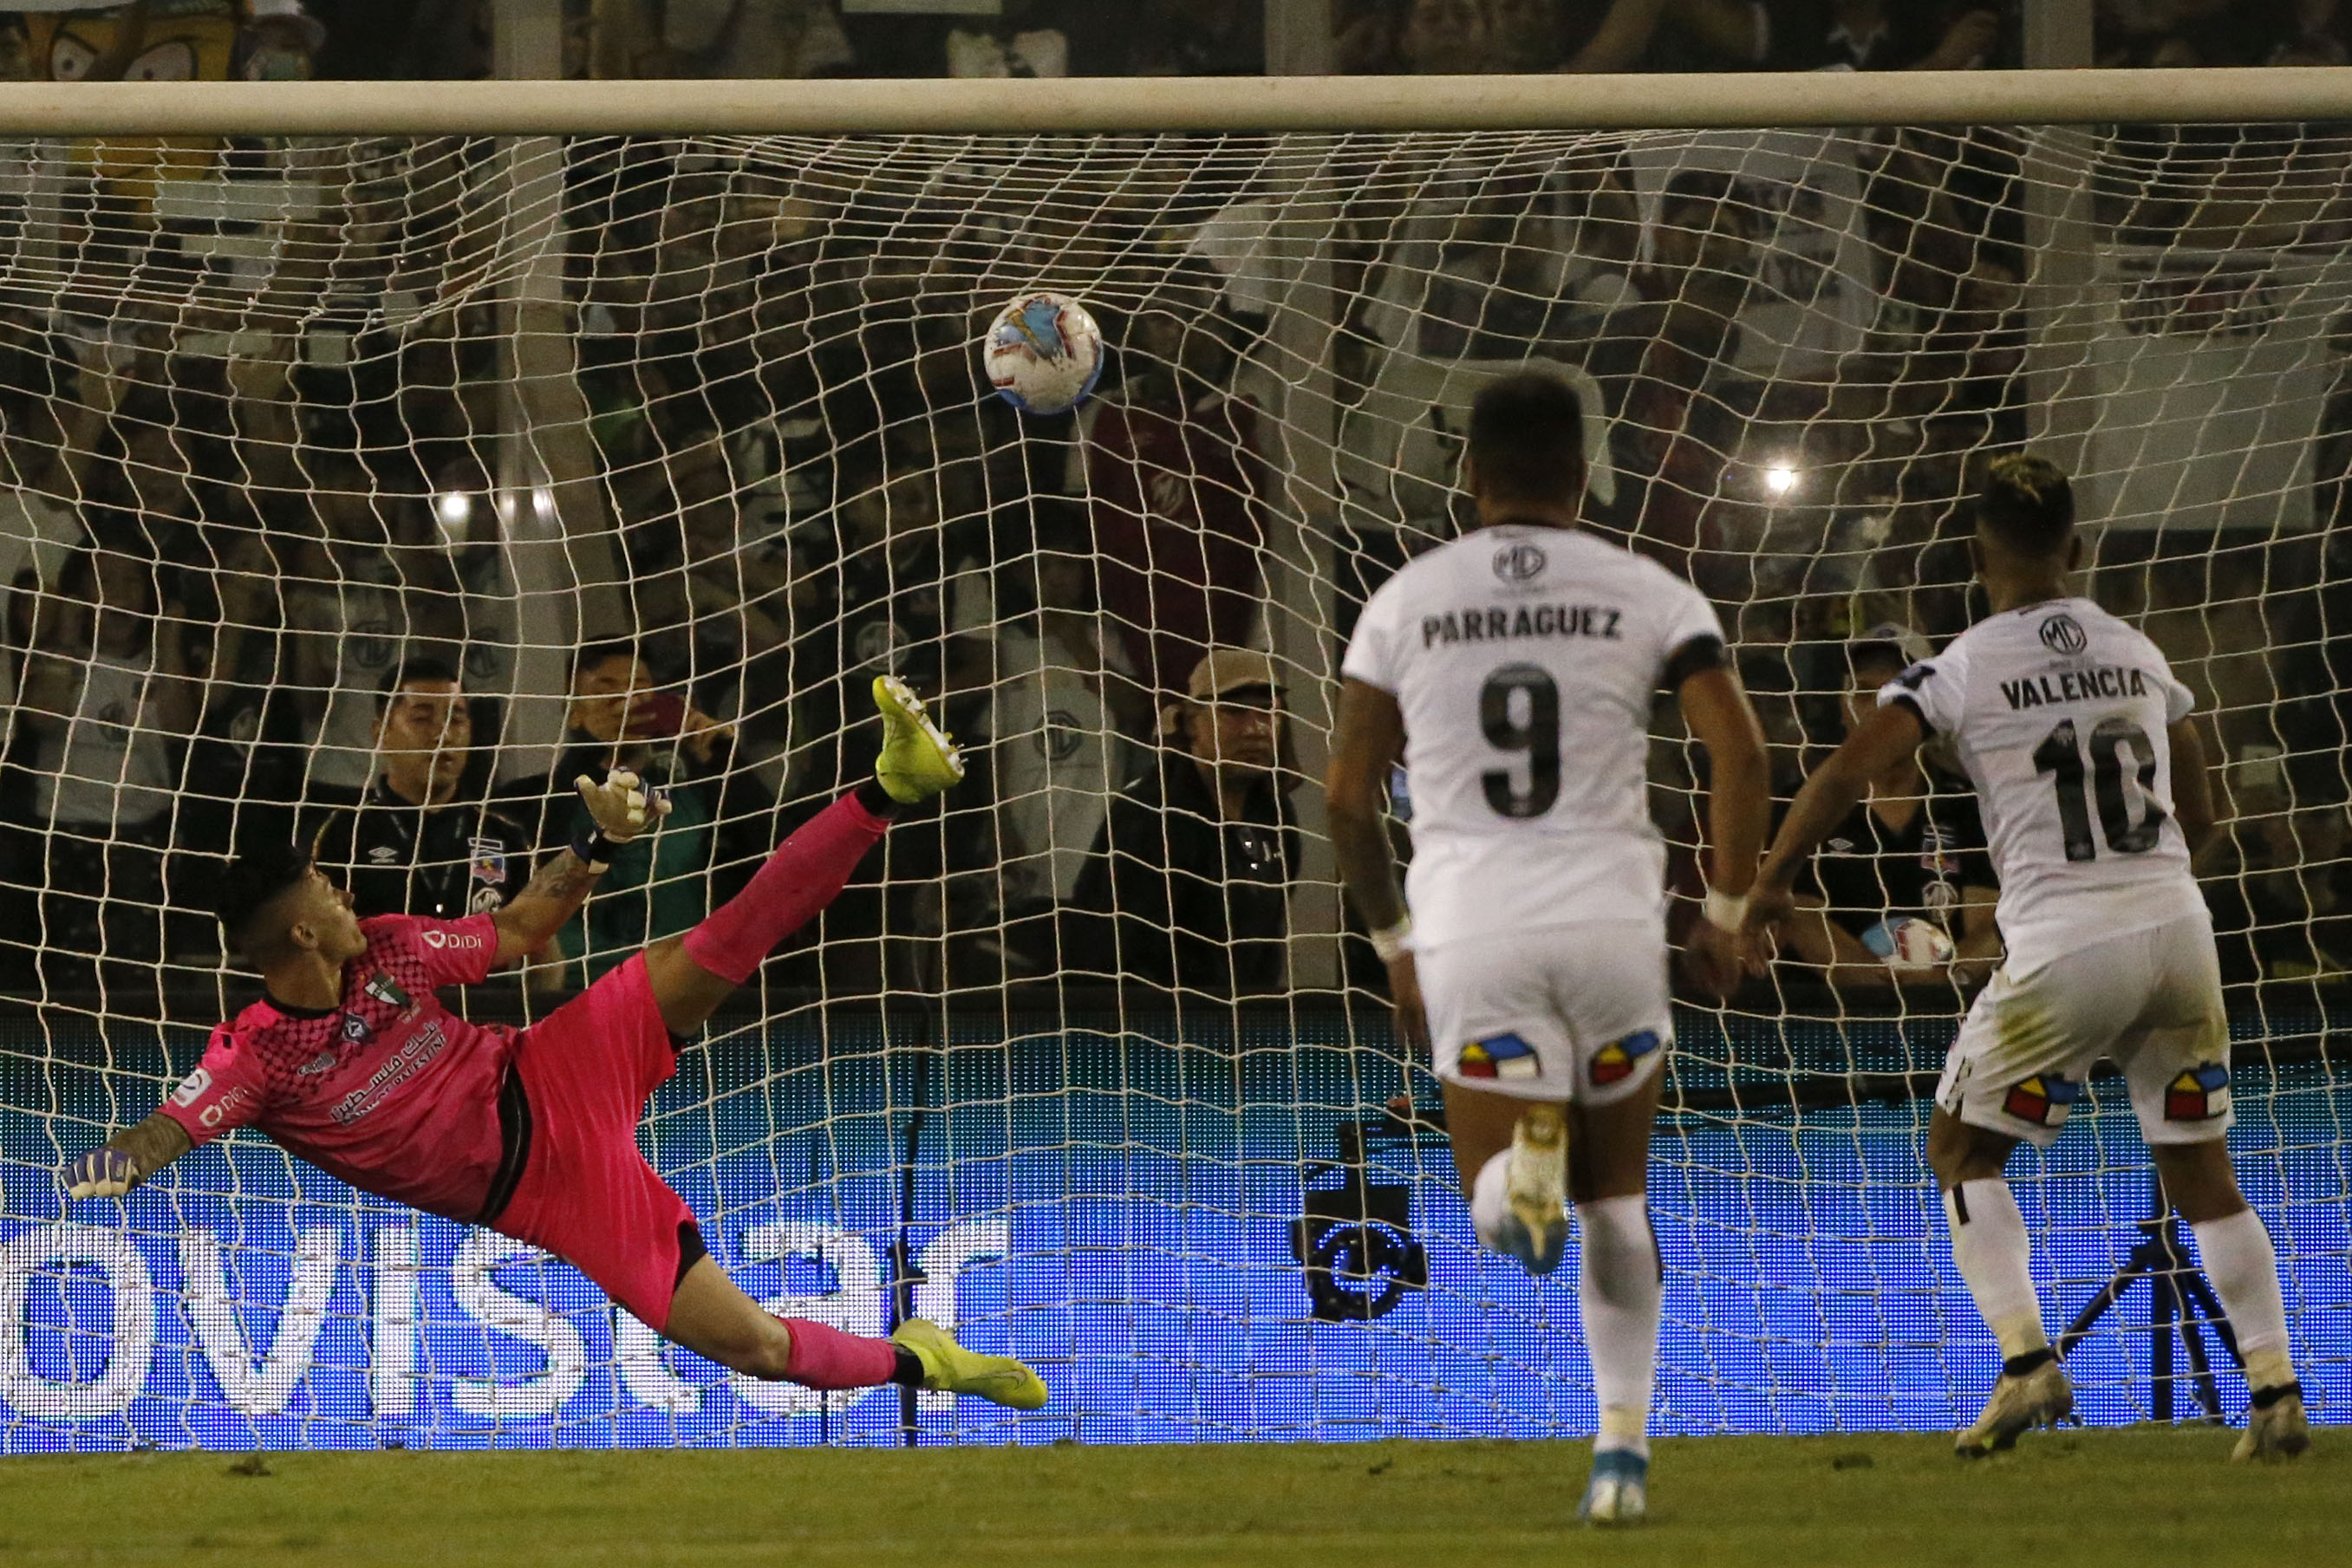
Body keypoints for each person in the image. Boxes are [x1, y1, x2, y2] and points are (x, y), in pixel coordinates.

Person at [63, 678, 1043, 1413]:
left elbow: (526, 928)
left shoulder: (399, 948)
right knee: (755, 1350)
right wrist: (117, 1160)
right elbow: (170, 1126)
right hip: (547, 1192)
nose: (346, 896)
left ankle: (885, 788)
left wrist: (597, 843)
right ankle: (924, 1358)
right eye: (328, 894)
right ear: (303, 934)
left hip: (555, 1064)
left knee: (726, 938)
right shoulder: (257, 1055)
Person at [1742, 454, 2309, 1461]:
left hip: (2064, 948)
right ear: (2077, 550)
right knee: (2201, 1171)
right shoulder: (2137, 652)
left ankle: (2025, 1366)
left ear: (1975, 554)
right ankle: (2273, 1388)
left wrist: (1772, 880)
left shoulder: (1960, 664)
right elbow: (2205, 808)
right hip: (2178, 936)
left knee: (1961, 1151)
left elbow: (1844, 769)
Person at [1325, 371, 1770, 1524]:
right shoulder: (1646, 591)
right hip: (1614, 926)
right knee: (1618, 1200)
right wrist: (1722, 913)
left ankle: (1514, 1178)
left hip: (1475, 925)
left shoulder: (1404, 600)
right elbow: (1743, 752)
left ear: (1468, 477)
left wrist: (1392, 943)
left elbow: (1342, 796)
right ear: (1585, 475)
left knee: (1503, 1205)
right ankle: (1620, 1454)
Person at [503, 641, 767, 986]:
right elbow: (538, 858)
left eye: (640, 689)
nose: (626, 702)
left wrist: (722, 756)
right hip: (577, 993)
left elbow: (773, 844)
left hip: (682, 989)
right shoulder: (526, 799)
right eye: (607, 691)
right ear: (575, 712)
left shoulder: (689, 796)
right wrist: (591, 744)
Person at [1775, 623, 2002, 990]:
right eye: (1864, 692)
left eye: (1895, 695)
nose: (1879, 709)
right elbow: (1802, 919)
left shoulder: (1967, 804)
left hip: (1947, 1014)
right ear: (1841, 706)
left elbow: (1988, 923)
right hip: (1826, 1020)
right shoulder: (1801, 805)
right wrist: (1891, 990)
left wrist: (1944, 981)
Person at [1071, 647, 1300, 999]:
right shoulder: (1150, 815)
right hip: (1150, 1026)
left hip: (1243, 1023)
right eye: (1235, 711)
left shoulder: (1275, 815)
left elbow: (1265, 941)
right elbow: (1110, 953)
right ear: (1193, 722)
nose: (1256, 728)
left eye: (1267, 712)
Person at [305, 657, 532, 920]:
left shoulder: (504, 835)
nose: (443, 735)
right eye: (422, 719)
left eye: (456, 720)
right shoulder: (346, 832)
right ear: (381, 733)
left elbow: (540, 943)